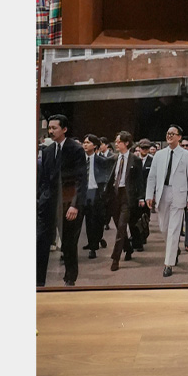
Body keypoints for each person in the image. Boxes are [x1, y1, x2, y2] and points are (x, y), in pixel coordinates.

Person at [37, 115, 87, 287]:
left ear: (64, 129)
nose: (51, 131)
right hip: (48, 203)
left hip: (68, 204)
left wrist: (74, 205)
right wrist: (41, 199)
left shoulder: (76, 150)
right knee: (41, 241)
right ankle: (38, 281)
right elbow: (43, 179)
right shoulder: (47, 151)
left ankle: (70, 279)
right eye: (49, 128)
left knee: (68, 243)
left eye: (54, 128)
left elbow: (81, 180)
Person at [144, 125, 188, 276]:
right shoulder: (159, 155)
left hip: (178, 194)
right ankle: (174, 249)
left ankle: (168, 264)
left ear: (179, 137)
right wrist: (149, 195)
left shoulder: (186, 155)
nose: (170, 136)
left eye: (173, 134)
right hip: (163, 193)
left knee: (174, 229)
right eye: (168, 133)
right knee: (164, 228)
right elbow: (152, 176)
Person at [105, 130, 142, 271]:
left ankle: (115, 258)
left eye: (119, 141)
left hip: (127, 196)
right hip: (114, 195)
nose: (116, 144)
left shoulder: (135, 160)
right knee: (118, 226)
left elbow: (139, 181)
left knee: (121, 226)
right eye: (116, 141)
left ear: (126, 143)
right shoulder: (113, 159)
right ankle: (128, 248)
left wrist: (141, 197)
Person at [81, 134, 115, 259]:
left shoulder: (101, 160)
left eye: (88, 143)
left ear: (95, 145)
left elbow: (108, 175)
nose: (85, 145)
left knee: (96, 219)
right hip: (83, 192)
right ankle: (92, 243)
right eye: (84, 142)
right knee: (87, 220)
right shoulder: (80, 160)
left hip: (96, 192)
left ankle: (95, 244)